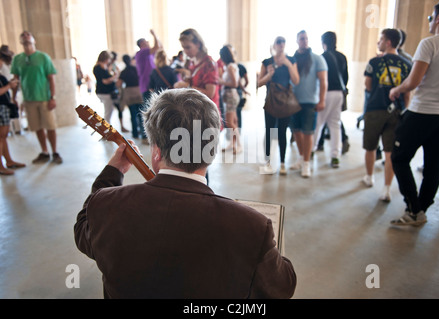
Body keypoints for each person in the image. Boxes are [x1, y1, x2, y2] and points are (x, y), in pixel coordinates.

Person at [74, 88, 296, 299]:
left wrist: (112, 172)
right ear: (212, 150)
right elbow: (282, 287)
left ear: (156, 152)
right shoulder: (252, 226)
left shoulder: (105, 205)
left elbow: (84, 232)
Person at [389, 0, 439, 226]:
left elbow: (413, 82)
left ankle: (414, 208)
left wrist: (396, 89)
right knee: (434, 164)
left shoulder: (430, 44)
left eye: (431, 17)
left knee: (399, 157)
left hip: (422, 112)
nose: (430, 22)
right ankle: (420, 208)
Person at [362, 28, 412, 202]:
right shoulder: (407, 64)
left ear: (388, 42)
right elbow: (407, 94)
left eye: (381, 39)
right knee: (389, 151)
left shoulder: (374, 62)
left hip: (375, 109)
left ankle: (369, 178)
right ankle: (387, 189)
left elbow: (368, 86)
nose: (379, 42)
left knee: (370, 146)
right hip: (396, 112)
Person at [11, 31, 63, 164]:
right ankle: (44, 152)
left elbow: (51, 79)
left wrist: (53, 97)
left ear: (34, 40)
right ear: (21, 42)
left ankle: (55, 152)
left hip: (44, 98)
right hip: (29, 99)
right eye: (23, 36)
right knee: (37, 126)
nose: (26, 37)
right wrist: (13, 98)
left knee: (50, 126)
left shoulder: (43, 57)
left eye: (29, 35)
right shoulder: (18, 59)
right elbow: (16, 80)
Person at [258, 36, 300, 175]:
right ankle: (268, 162)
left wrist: (288, 64)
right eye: (278, 42)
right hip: (270, 101)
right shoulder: (267, 62)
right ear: (274, 45)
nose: (281, 44)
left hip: (285, 102)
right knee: (269, 132)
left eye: (283, 42)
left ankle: (282, 163)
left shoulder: (291, 60)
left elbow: (296, 80)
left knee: (282, 132)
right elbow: (259, 83)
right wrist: (269, 76)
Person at [291, 30, 328, 178]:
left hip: (310, 102)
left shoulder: (317, 59)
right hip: (293, 102)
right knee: (296, 131)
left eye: (306, 39)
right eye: (301, 39)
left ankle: (306, 163)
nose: (304, 41)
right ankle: (301, 157)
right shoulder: (292, 59)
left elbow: (323, 81)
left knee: (308, 132)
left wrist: (322, 99)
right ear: (297, 41)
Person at [313, 31, 348, 169]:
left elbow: (319, 79)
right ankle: (335, 157)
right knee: (335, 125)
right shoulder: (342, 57)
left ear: (323, 43)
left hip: (326, 93)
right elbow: (346, 77)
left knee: (318, 123)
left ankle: (311, 150)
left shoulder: (322, 57)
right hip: (340, 93)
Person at [175, 29, 221, 117]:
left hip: (207, 113)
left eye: (188, 47)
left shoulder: (209, 64)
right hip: (195, 110)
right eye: (183, 48)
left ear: (198, 44)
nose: (185, 51)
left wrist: (186, 86)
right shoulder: (192, 62)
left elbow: (210, 93)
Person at [0, 47, 26, 175]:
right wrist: (9, 86)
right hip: (0, 107)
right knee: (1, 137)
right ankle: (1, 166)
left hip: (4, 106)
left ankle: (8, 161)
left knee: (3, 137)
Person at [135, 29, 162, 141]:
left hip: (151, 86)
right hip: (146, 87)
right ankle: (145, 136)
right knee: (147, 112)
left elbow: (159, 47)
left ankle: (152, 136)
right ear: (141, 44)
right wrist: (154, 34)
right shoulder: (141, 53)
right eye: (146, 41)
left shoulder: (149, 55)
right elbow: (156, 47)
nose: (148, 43)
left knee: (153, 112)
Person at [219, 45, 242, 154]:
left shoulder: (229, 67)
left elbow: (234, 83)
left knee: (229, 123)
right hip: (231, 95)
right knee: (233, 121)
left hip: (230, 95)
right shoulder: (233, 65)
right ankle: (232, 144)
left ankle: (239, 144)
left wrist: (221, 81)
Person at [116, 54, 143, 139]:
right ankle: (144, 134)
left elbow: (118, 84)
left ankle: (135, 133)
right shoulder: (136, 69)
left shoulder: (123, 72)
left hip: (129, 94)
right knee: (141, 114)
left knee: (132, 114)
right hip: (138, 92)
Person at [93, 51, 118, 125]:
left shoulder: (103, 67)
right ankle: (106, 131)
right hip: (104, 92)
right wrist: (114, 77)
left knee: (109, 111)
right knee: (108, 113)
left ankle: (107, 129)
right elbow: (105, 81)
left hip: (104, 91)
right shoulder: (99, 68)